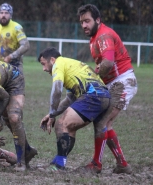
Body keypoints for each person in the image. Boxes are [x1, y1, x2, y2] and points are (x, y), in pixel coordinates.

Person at [77, 4, 137, 174]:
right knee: (104, 123)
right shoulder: (94, 37)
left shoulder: (103, 35)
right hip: (112, 83)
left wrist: (94, 77)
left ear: (97, 19)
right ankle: (122, 165)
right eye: (81, 22)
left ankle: (97, 164)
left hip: (123, 82)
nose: (84, 25)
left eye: (87, 21)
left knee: (103, 122)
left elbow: (108, 63)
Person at [38, 47, 113, 172]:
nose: (44, 69)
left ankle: (59, 166)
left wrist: (52, 115)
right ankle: (59, 161)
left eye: (44, 64)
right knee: (69, 127)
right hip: (104, 96)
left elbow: (57, 90)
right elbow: (69, 99)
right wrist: (52, 113)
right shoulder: (70, 65)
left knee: (62, 124)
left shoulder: (58, 64)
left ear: (52, 60)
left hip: (93, 96)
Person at [0, 3, 30, 74]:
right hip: (1, 66)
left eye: (6, 13)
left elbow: (26, 45)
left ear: (10, 15)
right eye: (1, 13)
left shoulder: (17, 28)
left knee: (15, 85)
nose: (3, 15)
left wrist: (11, 57)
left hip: (15, 66)